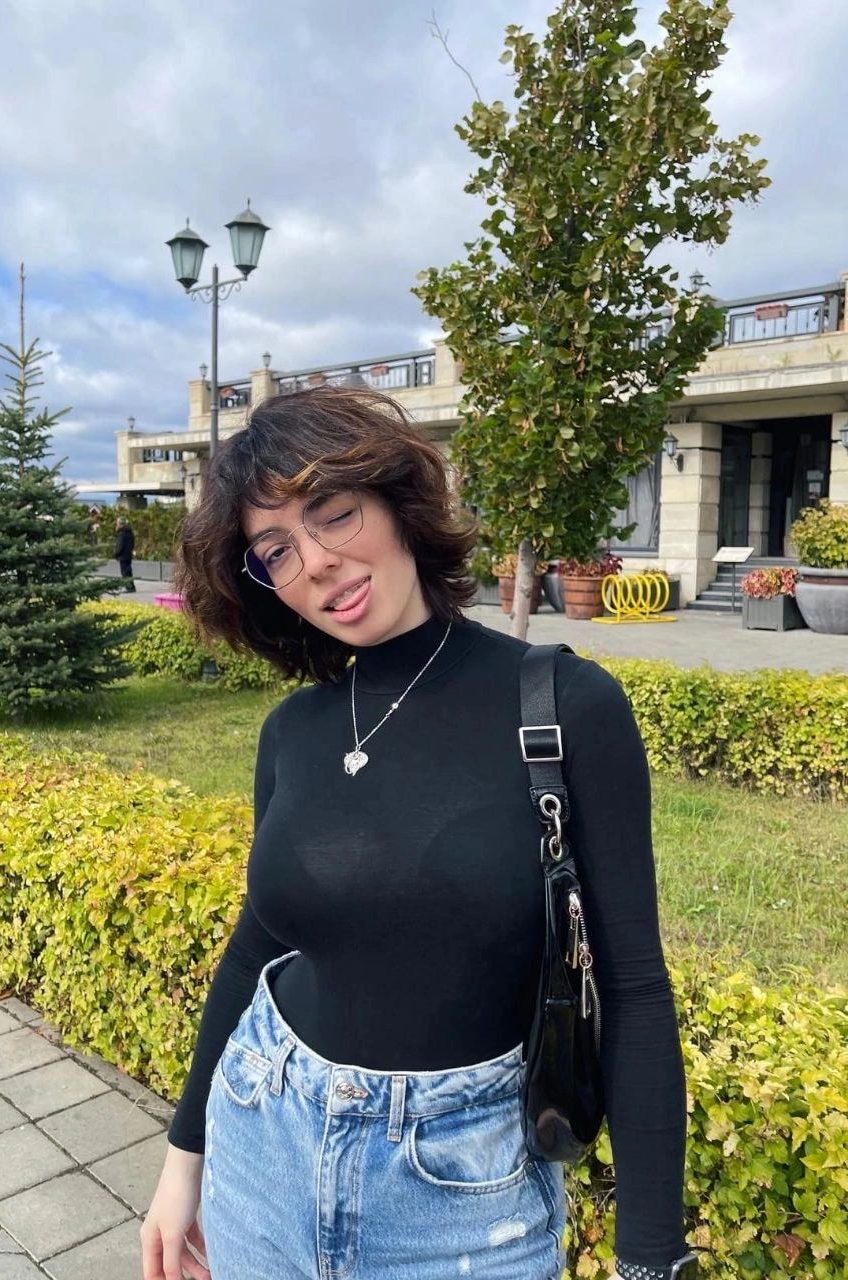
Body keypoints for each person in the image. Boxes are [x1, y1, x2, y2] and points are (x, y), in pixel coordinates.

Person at [140, 386, 695, 1280]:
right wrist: (183, 1160)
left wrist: (650, 1262)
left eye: (333, 513)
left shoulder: (565, 706)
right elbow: (255, 947)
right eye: (275, 551)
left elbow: (633, 987)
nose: (317, 562)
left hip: (460, 1197)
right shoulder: (293, 732)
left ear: (397, 502)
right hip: (262, 1144)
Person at [114, 515, 136, 591]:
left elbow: (120, 545)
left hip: (123, 556)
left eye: (117, 523)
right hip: (128, 555)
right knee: (129, 571)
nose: (116, 525)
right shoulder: (130, 532)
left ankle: (128, 587)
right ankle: (132, 586)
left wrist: (116, 553)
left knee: (125, 573)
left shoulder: (121, 533)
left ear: (120, 524)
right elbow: (132, 543)